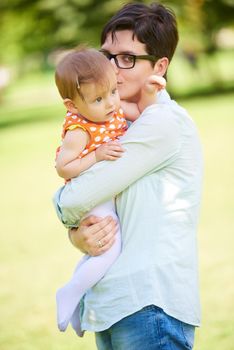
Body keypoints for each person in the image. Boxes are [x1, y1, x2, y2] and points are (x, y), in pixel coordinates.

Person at [53, 2, 203, 349]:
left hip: (149, 305)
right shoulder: (115, 124)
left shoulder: (162, 123)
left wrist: (65, 213)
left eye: (127, 58)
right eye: (106, 55)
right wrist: (77, 235)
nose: (111, 68)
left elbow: (75, 197)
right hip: (112, 303)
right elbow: (86, 196)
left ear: (160, 66)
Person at [54, 47, 165, 336]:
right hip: (94, 196)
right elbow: (64, 167)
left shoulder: (112, 110)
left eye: (113, 92)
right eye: (99, 99)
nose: (111, 103)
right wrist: (98, 155)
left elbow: (144, 113)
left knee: (100, 253)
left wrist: (151, 93)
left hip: (107, 192)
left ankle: (77, 301)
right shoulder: (80, 129)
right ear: (72, 105)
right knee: (108, 251)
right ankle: (68, 293)